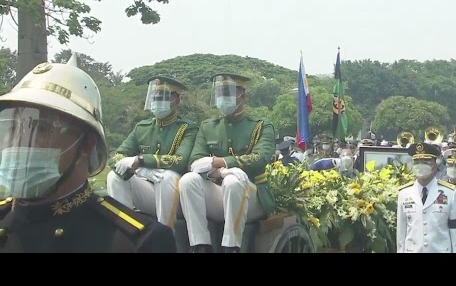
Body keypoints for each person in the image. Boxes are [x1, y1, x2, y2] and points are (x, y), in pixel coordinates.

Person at [0, 55, 176, 253]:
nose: (17, 143)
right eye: (13, 128)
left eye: (40, 128)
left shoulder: (138, 241)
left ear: (87, 144)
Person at [179, 73, 276, 253]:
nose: (224, 99)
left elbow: (260, 158)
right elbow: (194, 160)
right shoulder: (208, 126)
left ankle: (231, 247)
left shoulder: (261, 126)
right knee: (188, 180)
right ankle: (201, 245)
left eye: (229, 94)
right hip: (218, 192)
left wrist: (219, 161)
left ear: (243, 97)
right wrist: (221, 172)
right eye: (220, 94)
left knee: (233, 182)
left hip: (253, 197)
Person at [106, 75, 198, 230]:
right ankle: (126, 233)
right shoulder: (142, 127)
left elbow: (180, 160)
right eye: (155, 97)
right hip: (149, 194)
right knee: (114, 176)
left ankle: (166, 236)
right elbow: (116, 157)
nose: (157, 101)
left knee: (165, 176)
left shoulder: (187, 128)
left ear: (177, 100)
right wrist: (140, 170)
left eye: (163, 97)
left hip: (177, 198)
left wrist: (141, 160)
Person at [396, 142, 456, 253]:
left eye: (425, 162)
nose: (420, 165)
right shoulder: (404, 193)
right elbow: (401, 233)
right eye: (416, 162)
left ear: (434, 166)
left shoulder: (450, 193)